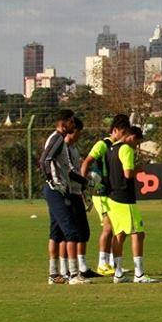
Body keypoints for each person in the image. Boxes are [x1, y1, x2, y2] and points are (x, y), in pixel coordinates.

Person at [39, 109, 90, 285]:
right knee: (71, 231)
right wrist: (51, 180)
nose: (73, 125)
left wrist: (84, 182)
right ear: (64, 123)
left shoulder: (61, 141)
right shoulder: (58, 138)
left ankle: (54, 275)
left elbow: (67, 170)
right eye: (71, 122)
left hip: (57, 189)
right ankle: (74, 275)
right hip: (56, 191)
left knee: (56, 233)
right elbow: (45, 160)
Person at [105, 125, 158, 283]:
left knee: (119, 234)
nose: (136, 146)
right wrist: (139, 169)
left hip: (112, 197)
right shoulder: (126, 149)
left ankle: (118, 273)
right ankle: (139, 274)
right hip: (124, 198)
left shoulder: (111, 149)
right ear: (132, 137)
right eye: (137, 142)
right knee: (138, 234)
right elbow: (128, 173)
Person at [81, 113, 131, 276]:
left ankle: (111, 263)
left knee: (114, 227)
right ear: (115, 130)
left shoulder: (118, 147)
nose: (124, 137)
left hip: (109, 192)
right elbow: (87, 161)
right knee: (108, 227)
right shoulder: (103, 144)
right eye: (123, 133)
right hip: (100, 192)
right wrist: (84, 184)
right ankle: (102, 263)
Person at [64, 118, 98, 278]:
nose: (80, 136)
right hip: (68, 192)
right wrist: (86, 180)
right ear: (74, 130)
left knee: (83, 231)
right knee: (70, 232)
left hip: (77, 192)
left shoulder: (74, 148)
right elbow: (69, 171)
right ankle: (68, 270)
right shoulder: (63, 147)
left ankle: (83, 267)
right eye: (79, 133)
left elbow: (77, 167)